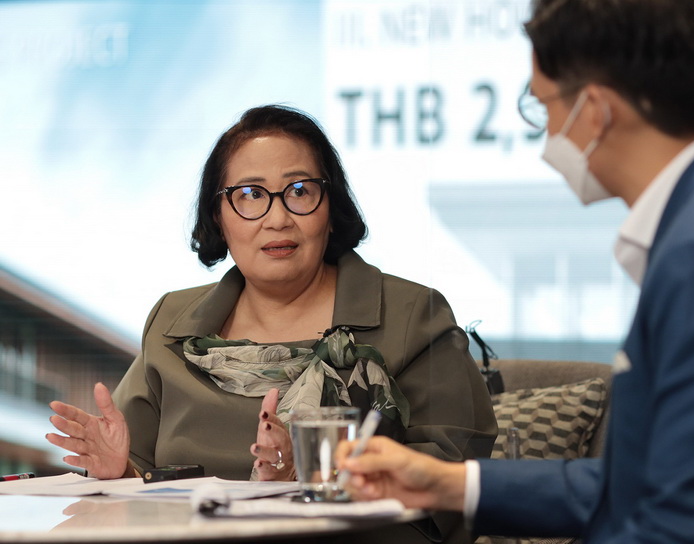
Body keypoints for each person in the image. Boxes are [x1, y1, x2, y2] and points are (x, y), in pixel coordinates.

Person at [335, 0, 694, 543]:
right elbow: (643, 485)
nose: (547, 133)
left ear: (593, 112)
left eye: (544, 106)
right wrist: (448, 483)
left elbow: (685, 523)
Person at [46, 104, 497, 544]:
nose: (278, 219)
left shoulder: (413, 314)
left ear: (330, 206)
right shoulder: (172, 322)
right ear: (218, 216)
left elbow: (453, 482)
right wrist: (118, 472)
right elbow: (140, 484)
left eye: (300, 191)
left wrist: (309, 483)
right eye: (250, 195)